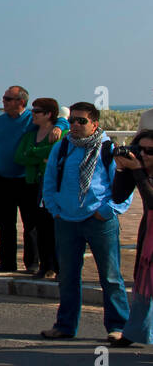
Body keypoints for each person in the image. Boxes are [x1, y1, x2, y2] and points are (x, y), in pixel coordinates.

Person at [40, 102, 131, 341]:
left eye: (82, 121)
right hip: (66, 220)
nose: (75, 125)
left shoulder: (107, 148)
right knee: (68, 276)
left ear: (95, 124)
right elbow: (49, 182)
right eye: (72, 121)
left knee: (110, 276)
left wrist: (107, 211)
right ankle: (65, 326)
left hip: (98, 220)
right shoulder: (61, 148)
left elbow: (124, 184)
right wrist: (55, 209)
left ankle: (119, 327)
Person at [0, 85, 38, 273]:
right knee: (4, 224)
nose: (3, 102)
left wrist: (59, 126)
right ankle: (7, 262)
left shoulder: (33, 120)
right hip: (2, 180)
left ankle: (32, 263)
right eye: (4, 98)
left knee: (30, 223)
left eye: (8, 99)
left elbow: (60, 121)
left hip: (26, 180)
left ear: (21, 102)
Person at [13, 98, 68, 279]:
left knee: (53, 227)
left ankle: (57, 266)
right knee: (36, 227)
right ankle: (44, 265)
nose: (33, 114)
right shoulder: (31, 134)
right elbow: (20, 156)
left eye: (37, 111)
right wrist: (40, 156)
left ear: (48, 114)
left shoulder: (60, 133)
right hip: (32, 184)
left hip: (51, 186)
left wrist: (36, 154)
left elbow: (55, 153)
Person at [109, 130, 153, 347]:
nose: (144, 155)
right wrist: (121, 168)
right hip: (150, 234)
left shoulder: (142, 172)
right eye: (139, 150)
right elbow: (117, 196)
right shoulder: (141, 169)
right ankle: (134, 332)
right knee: (145, 282)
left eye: (150, 151)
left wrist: (137, 171)